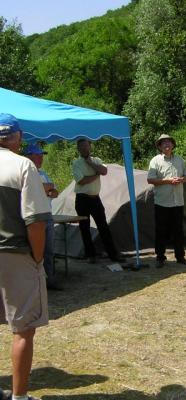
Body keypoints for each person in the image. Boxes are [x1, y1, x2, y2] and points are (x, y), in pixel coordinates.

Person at [0, 113, 51, 400]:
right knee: (23, 329)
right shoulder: (23, 166)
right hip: (14, 254)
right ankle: (19, 397)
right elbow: (35, 221)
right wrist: (38, 258)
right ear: (17, 138)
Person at [72, 138, 124, 263]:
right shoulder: (76, 163)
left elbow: (104, 171)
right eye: (81, 147)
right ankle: (91, 255)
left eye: (86, 146)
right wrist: (96, 175)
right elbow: (81, 181)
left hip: (95, 198)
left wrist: (91, 163)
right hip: (82, 198)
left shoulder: (97, 160)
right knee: (84, 228)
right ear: (78, 149)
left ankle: (113, 255)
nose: (84, 149)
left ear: (90, 147)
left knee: (103, 227)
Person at [147, 134, 186, 268]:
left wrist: (182, 179)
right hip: (162, 202)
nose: (166, 144)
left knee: (178, 230)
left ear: (173, 145)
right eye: (163, 143)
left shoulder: (179, 160)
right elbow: (150, 180)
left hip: (178, 201)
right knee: (161, 231)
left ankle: (180, 256)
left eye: (169, 142)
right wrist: (168, 181)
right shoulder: (155, 161)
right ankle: (160, 258)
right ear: (160, 147)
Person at [24, 143, 61, 290]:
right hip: (34, 217)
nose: (40, 158)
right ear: (29, 157)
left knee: (49, 250)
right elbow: (38, 189)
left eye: (41, 156)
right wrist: (46, 188)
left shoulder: (43, 173)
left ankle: (49, 280)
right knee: (34, 251)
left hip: (47, 215)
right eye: (37, 155)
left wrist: (48, 189)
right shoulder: (26, 172)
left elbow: (55, 192)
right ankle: (34, 283)